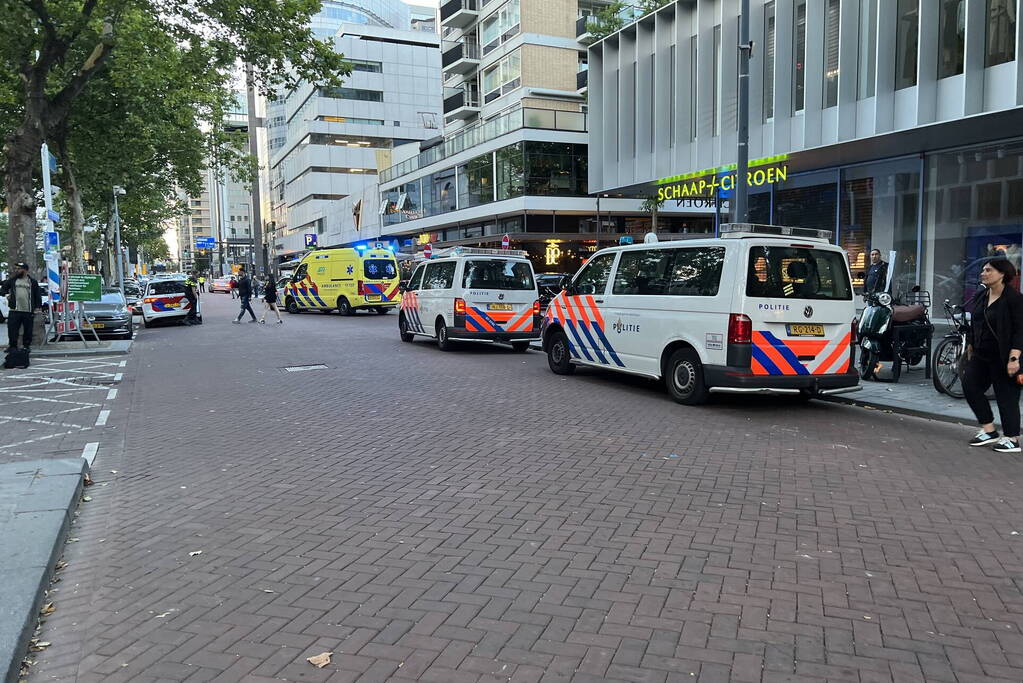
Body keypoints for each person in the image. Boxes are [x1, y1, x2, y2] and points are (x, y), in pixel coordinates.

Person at [964, 258, 1023, 454]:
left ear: (1002, 274)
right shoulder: (981, 295)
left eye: (988, 270)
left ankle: (1012, 438)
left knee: (1006, 396)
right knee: (970, 386)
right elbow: (975, 322)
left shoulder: (1014, 299)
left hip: (1004, 355)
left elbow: (1020, 330)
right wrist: (971, 345)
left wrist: (1014, 358)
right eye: (983, 270)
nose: (983, 273)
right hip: (982, 354)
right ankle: (989, 430)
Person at [0, 262, 43, 352]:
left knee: (28, 330)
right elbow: (3, 289)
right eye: (16, 269)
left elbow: (37, 295)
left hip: (28, 310)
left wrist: (38, 307)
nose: (17, 270)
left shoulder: (32, 282)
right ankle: (13, 346)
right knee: (12, 330)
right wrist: (7, 294)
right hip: (14, 309)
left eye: (19, 269)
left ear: (25, 270)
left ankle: (26, 346)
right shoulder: (12, 280)